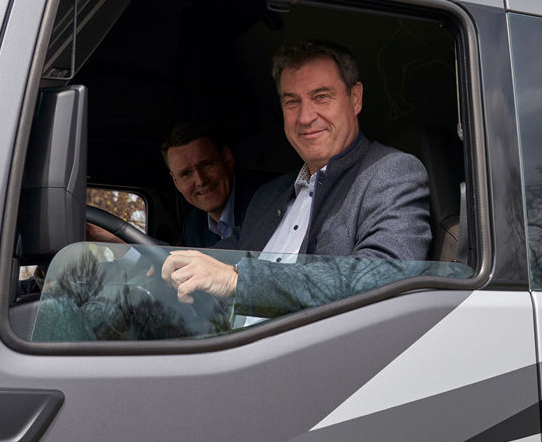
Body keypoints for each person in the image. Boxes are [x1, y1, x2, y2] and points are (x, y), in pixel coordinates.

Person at [158, 41, 433, 315]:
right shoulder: (269, 195)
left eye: (321, 97)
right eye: (292, 102)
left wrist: (237, 281)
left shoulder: (390, 172)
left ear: (355, 98)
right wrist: (141, 255)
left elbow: (385, 279)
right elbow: (219, 256)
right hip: (229, 347)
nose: (305, 116)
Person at [161, 122, 258, 248]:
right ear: (176, 182)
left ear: (227, 159)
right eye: (186, 173)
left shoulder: (265, 204)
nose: (200, 180)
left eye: (206, 164)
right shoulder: (193, 226)